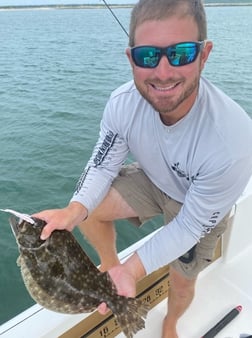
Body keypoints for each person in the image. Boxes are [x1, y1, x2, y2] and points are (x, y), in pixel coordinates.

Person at [35, 0, 252, 337]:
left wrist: (135, 270)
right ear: (130, 58)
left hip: (198, 208)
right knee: (89, 209)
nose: (163, 73)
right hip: (154, 179)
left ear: (204, 54)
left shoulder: (233, 142)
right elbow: (103, 163)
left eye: (181, 53)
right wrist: (74, 210)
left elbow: (190, 225)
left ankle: (171, 322)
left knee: (181, 284)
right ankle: (110, 265)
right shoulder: (122, 104)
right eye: (148, 56)